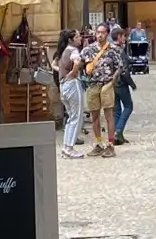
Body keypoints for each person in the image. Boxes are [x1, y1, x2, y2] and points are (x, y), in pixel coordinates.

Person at [80, 23, 122, 157]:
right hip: (92, 85)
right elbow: (80, 62)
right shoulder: (88, 49)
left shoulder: (113, 49)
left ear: (107, 33)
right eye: (98, 32)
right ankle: (98, 144)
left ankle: (110, 145)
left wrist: (113, 82)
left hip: (106, 84)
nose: (99, 35)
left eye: (102, 32)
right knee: (95, 117)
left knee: (109, 115)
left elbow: (119, 67)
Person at [55, 28, 86, 158]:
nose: (80, 38)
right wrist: (74, 72)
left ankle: (66, 146)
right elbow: (77, 61)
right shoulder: (73, 50)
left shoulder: (63, 51)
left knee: (71, 117)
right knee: (76, 116)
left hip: (64, 85)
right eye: (78, 36)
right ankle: (69, 148)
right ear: (71, 39)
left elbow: (55, 65)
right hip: (72, 84)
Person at [111, 25, 136, 143]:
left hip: (112, 84)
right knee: (128, 106)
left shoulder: (109, 49)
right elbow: (124, 71)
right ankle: (118, 131)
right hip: (121, 83)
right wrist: (132, 84)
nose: (125, 39)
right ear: (119, 37)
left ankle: (117, 135)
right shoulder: (120, 51)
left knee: (116, 110)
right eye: (124, 36)